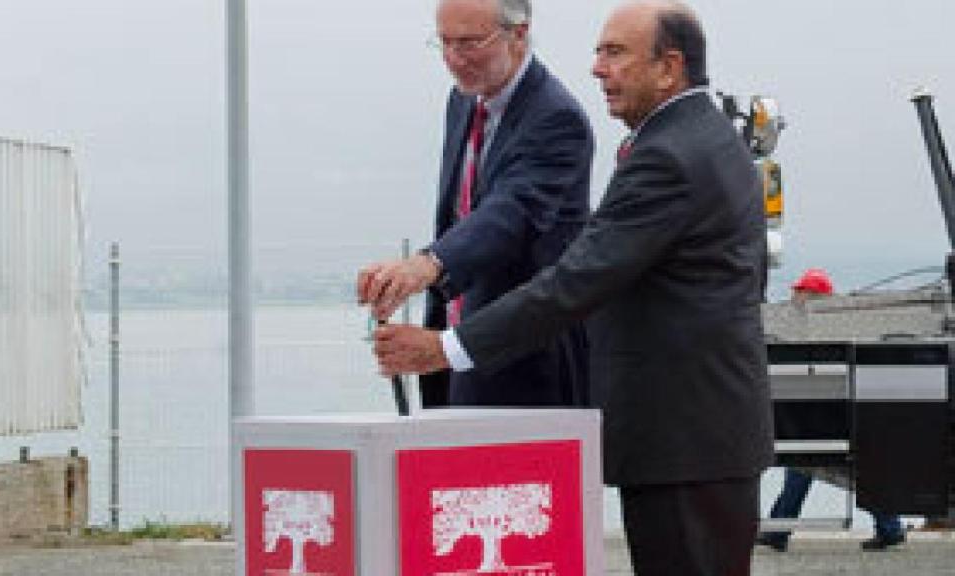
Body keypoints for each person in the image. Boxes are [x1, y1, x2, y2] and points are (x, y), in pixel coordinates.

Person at [369, 2, 774, 574]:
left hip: (685, 437)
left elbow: (574, 280)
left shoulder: (669, 156)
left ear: (669, 66)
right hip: (697, 434)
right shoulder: (696, 136)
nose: (597, 69)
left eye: (615, 53)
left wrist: (445, 348)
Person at [357, 0, 594, 408]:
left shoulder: (557, 118)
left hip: (525, 370)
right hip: (452, 359)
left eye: (469, 44)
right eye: (444, 43)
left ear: (518, 34)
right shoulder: (463, 101)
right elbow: (459, 216)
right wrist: (408, 282)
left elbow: (508, 215)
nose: (453, 59)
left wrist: (428, 265)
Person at [757, 269, 907, 552]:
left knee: (805, 468)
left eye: (799, 291)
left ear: (813, 296)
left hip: (824, 419)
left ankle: (779, 532)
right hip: (841, 416)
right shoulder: (840, 329)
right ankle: (889, 527)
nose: (794, 296)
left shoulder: (807, 329)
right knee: (852, 473)